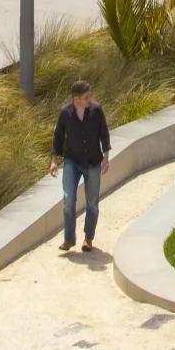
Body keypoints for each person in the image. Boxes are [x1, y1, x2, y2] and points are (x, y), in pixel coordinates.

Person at [49, 80, 112, 253]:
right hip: (72, 161)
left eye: (90, 96)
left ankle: (88, 238)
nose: (90, 99)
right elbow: (58, 136)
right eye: (86, 97)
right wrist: (54, 160)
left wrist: (106, 158)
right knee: (68, 200)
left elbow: (104, 134)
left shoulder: (96, 111)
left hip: (93, 161)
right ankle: (69, 239)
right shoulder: (65, 113)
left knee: (92, 203)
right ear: (76, 99)